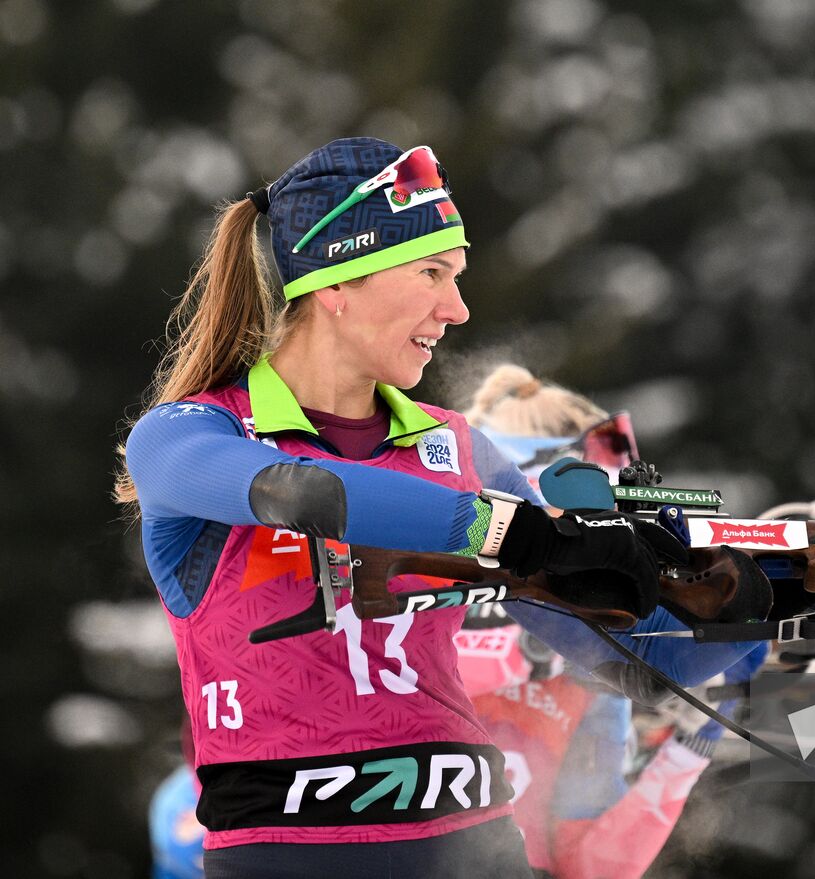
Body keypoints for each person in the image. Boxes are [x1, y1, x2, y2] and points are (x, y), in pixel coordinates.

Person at [116, 138, 760, 878]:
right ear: (336, 282)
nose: (455, 309)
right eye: (430, 273)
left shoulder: (457, 446)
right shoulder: (190, 436)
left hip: (476, 850)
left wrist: (748, 597)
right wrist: (515, 532)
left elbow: (639, 658)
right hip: (289, 856)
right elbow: (306, 492)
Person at [460, 364, 767, 878]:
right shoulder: (427, 567)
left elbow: (591, 867)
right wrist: (534, 654)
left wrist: (688, 751)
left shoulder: (594, 656)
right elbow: (381, 678)